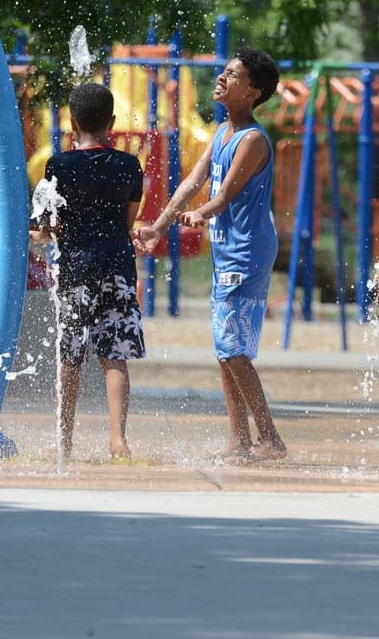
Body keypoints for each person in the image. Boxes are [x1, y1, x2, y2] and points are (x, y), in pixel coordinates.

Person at [136, 49, 286, 463]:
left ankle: (270, 439)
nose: (221, 79)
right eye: (224, 71)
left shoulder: (252, 140)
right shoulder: (222, 132)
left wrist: (200, 214)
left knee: (232, 348)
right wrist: (158, 225)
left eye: (232, 75)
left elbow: (223, 195)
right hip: (228, 249)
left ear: (253, 92)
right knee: (227, 349)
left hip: (246, 251)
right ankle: (239, 441)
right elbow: (191, 182)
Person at [31, 84, 145, 463]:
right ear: (111, 123)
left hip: (77, 268)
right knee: (115, 355)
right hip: (118, 266)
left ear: (72, 121)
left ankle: (64, 441)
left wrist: (41, 232)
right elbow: (126, 223)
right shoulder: (130, 166)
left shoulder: (59, 166)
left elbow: (50, 226)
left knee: (70, 355)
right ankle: (119, 440)